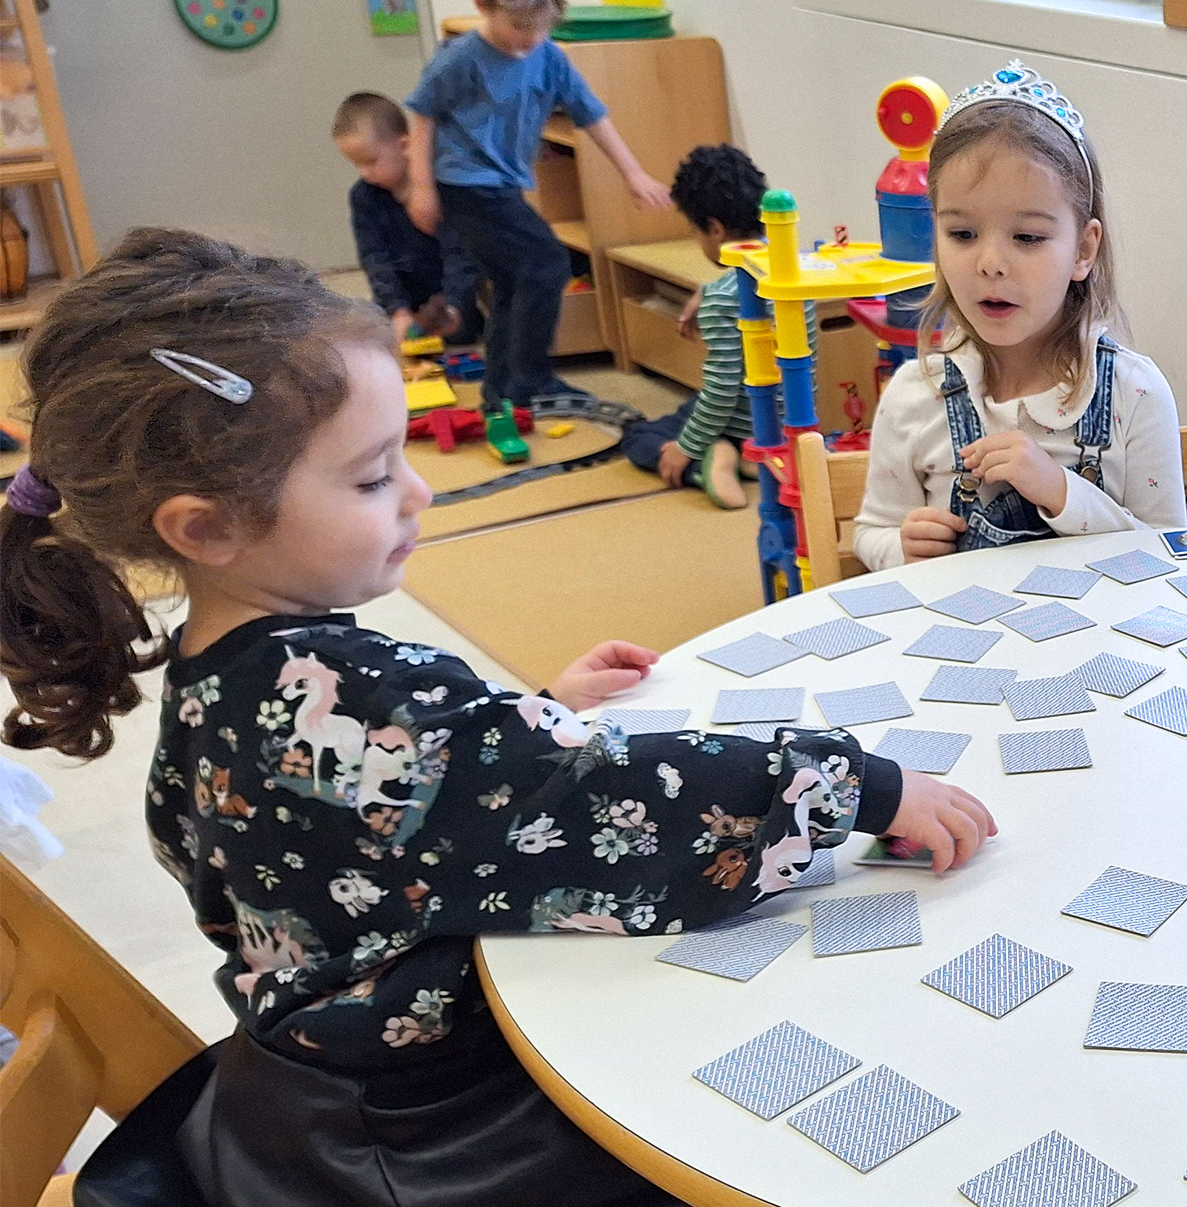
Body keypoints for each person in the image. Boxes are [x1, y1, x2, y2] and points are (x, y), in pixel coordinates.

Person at [0, 229, 995, 1205]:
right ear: (206, 527)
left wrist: (521, 719)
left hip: (305, 1096)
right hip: (432, 1134)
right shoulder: (355, 696)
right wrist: (858, 785)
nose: (420, 489)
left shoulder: (218, 677)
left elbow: (382, 815)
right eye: (373, 474)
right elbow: (618, 807)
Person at [853, 60, 1186, 570]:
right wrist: (899, 546)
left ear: (1083, 249)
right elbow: (871, 533)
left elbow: (1168, 558)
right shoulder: (913, 396)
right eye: (962, 235)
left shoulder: (1133, 392)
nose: (990, 264)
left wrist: (1062, 493)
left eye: (1028, 238)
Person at [404, 0, 672, 463]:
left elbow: (591, 114)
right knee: (546, 263)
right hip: (466, 184)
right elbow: (421, 111)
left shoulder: (548, 56)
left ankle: (501, 394)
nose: (528, 39)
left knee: (511, 281)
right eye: (518, 26)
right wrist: (421, 185)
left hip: (503, 186)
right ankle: (531, 380)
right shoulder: (462, 58)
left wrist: (634, 174)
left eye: (540, 26)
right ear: (482, 4)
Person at [620, 144, 766, 510]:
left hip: (739, 421)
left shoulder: (723, 300)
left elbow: (722, 388)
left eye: (694, 231)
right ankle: (753, 458)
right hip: (781, 425)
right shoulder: (796, 273)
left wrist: (689, 446)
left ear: (715, 229)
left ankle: (706, 463)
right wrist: (707, 290)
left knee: (640, 436)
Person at [331, 91, 483, 348]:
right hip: (402, 293)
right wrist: (397, 310)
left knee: (459, 332)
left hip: (443, 292)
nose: (365, 173)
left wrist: (455, 304)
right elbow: (374, 258)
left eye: (371, 161)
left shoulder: (440, 189)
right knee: (368, 329)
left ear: (404, 146)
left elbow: (460, 255)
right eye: (356, 165)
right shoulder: (364, 197)